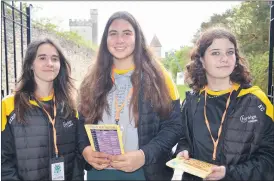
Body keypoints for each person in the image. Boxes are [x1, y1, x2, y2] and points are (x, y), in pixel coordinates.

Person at [77, 11, 183, 180]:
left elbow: (174, 126)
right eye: (113, 33)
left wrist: (144, 155)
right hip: (99, 173)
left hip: (145, 172)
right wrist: (85, 149)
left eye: (127, 33)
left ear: (137, 38)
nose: (120, 40)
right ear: (105, 40)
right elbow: (80, 123)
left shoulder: (160, 78)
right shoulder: (91, 79)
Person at [175, 27, 274, 181]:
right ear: (201, 59)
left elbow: (270, 158)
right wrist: (182, 152)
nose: (225, 59)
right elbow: (184, 140)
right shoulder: (191, 101)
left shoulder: (256, 100)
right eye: (215, 53)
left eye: (230, 52)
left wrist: (229, 173)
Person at [1, 39, 85, 180]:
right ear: (31, 64)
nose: (49, 64)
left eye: (54, 59)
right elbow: (3, 161)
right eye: (42, 58)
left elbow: (78, 157)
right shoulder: (8, 105)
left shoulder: (71, 106)